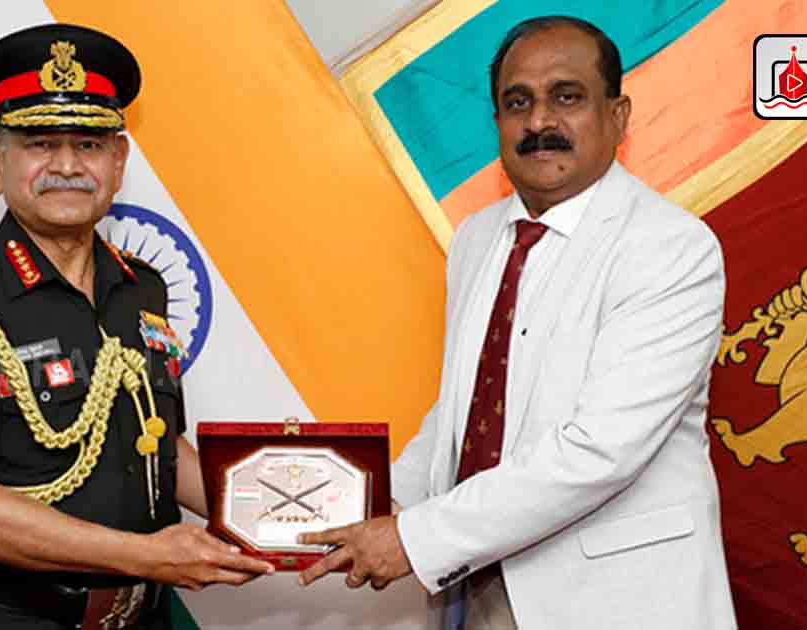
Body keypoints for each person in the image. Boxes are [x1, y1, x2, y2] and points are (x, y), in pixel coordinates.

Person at [299, 15, 737, 630]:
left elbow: (600, 449)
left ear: (617, 116)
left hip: (612, 601)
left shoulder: (670, 248)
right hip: (472, 587)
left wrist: (413, 538)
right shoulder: (476, 239)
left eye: (567, 97)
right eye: (518, 102)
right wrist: (376, 507)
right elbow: (463, 411)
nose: (538, 122)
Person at [0, 23, 273, 630]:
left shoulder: (142, 287)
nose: (67, 166)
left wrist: (289, 515)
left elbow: (160, 449)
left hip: (145, 617)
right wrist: (148, 556)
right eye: (40, 143)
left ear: (118, 162)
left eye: (88, 144)